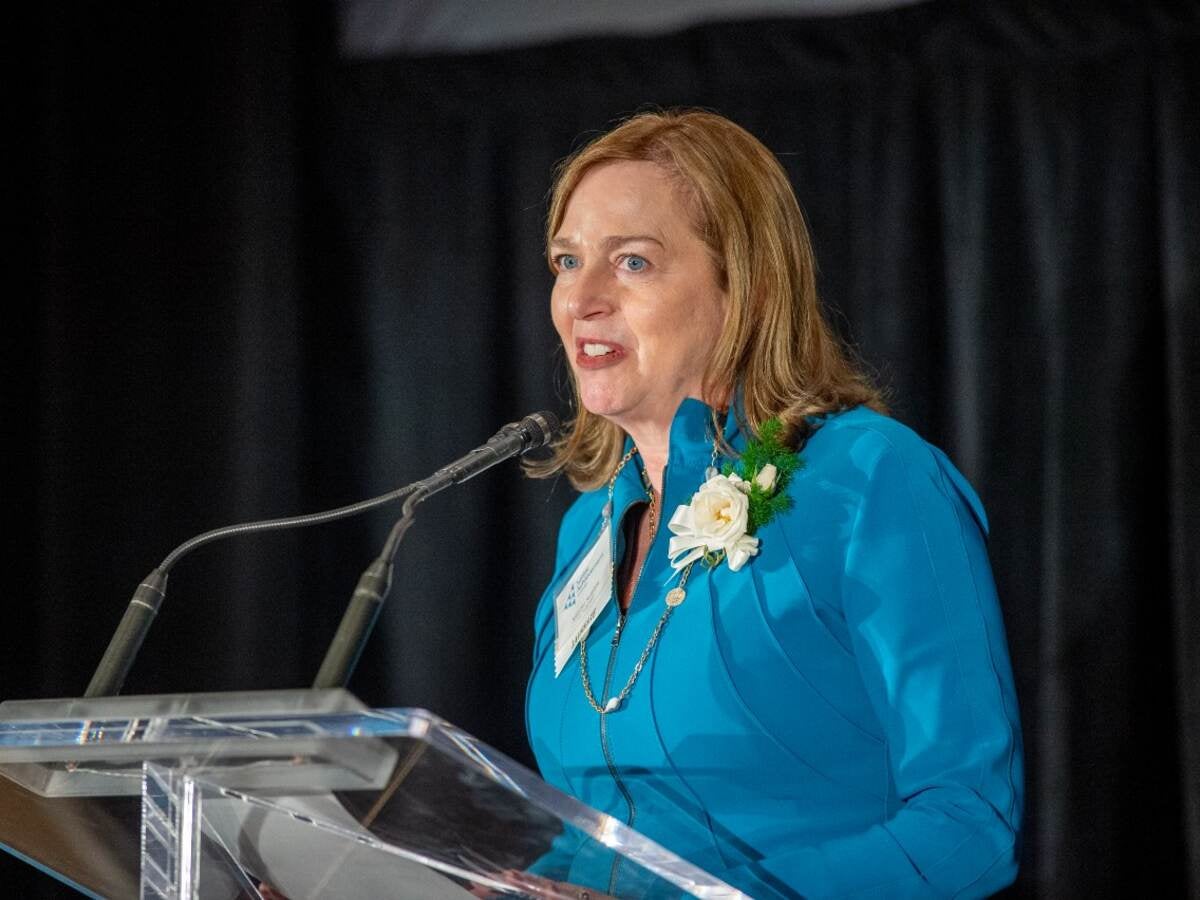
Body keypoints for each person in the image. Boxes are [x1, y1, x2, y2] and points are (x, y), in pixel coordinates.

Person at [524, 109, 1023, 899]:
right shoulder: (591, 525)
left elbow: (969, 826)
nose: (580, 298)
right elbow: (596, 834)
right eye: (566, 259)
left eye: (632, 263)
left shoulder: (869, 481)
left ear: (745, 286)